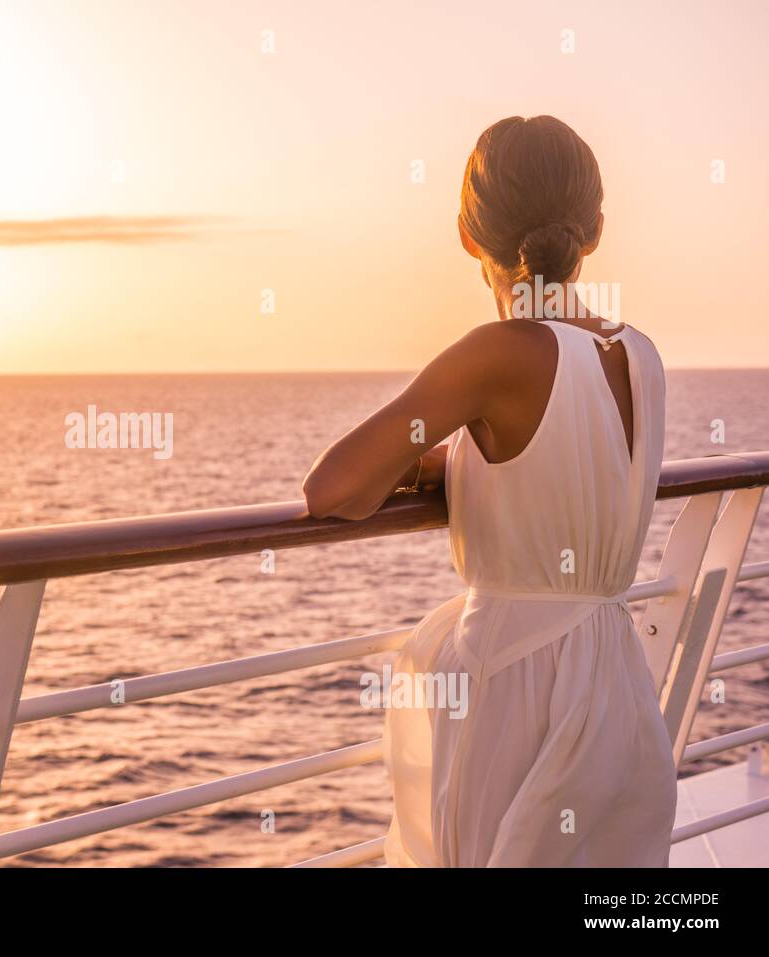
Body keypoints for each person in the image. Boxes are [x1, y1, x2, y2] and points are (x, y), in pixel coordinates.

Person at [302, 115, 676, 866]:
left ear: (470, 237)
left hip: (518, 693)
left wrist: (418, 464)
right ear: (594, 228)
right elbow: (571, 466)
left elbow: (332, 487)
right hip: (616, 686)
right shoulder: (640, 353)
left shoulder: (498, 355)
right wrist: (463, 466)